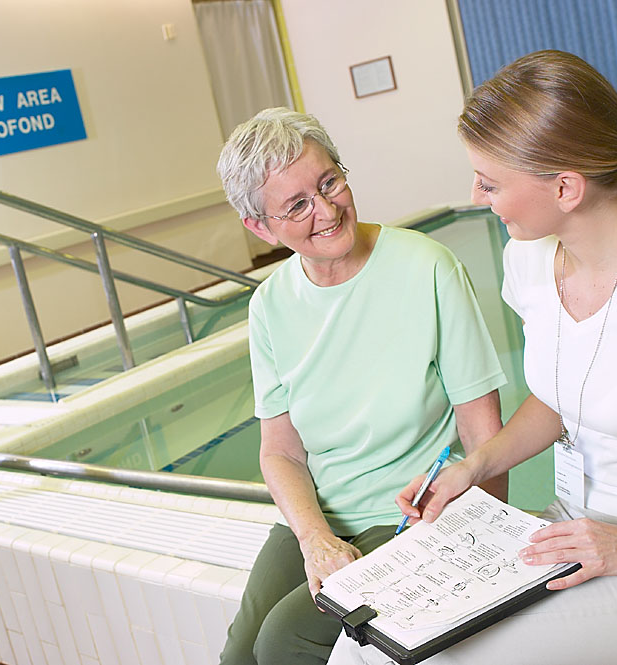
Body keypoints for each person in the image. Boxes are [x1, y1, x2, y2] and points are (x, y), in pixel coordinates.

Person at [329, 50, 617, 665]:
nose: (476, 195)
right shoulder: (530, 259)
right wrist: (474, 466)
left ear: (565, 188)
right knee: (368, 641)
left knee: (430, 657)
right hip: (571, 529)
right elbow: (561, 398)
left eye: (489, 182)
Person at [215, 107, 509, 665]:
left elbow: (482, 431)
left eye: (329, 183)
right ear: (260, 227)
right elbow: (280, 452)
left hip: (409, 513)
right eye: (297, 205)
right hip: (321, 514)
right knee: (240, 656)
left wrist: (483, 549)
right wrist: (313, 538)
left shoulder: (428, 267)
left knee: (286, 641)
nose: (327, 211)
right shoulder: (270, 305)